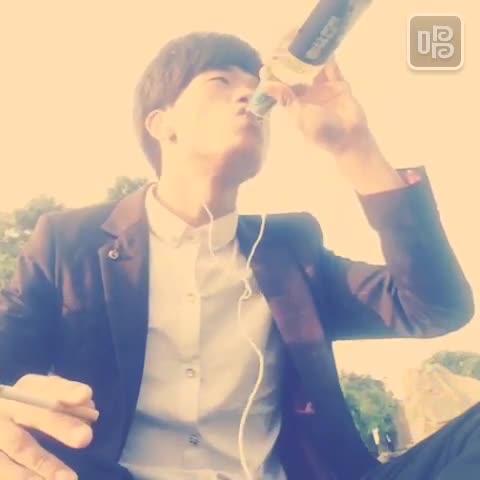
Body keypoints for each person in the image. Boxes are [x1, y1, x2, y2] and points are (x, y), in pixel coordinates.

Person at [0, 31, 477, 480]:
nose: (251, 94)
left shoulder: (292, 249)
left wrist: (353, 147)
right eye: (221, 82)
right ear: (161, 124)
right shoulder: (69, 242)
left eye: (255, 85)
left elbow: (433, 307)